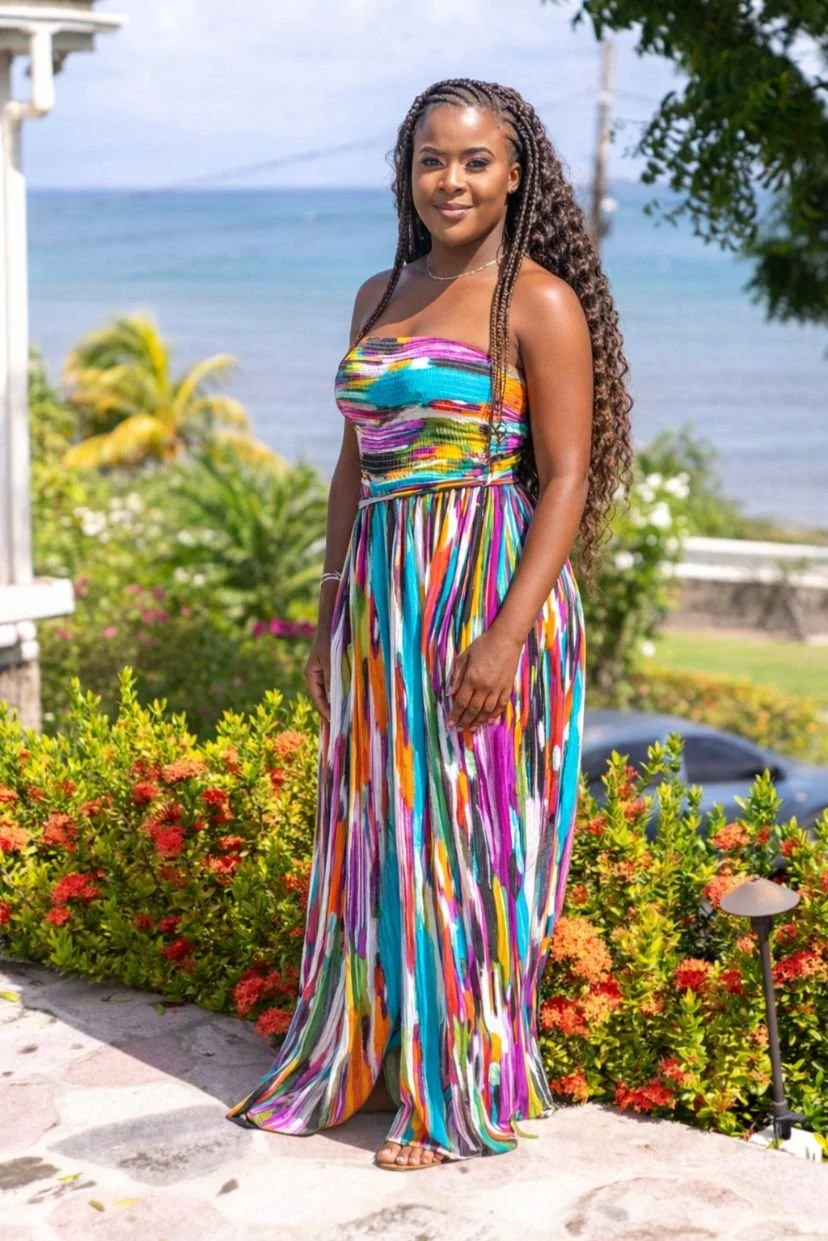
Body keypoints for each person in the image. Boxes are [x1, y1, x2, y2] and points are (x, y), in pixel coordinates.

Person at [225, 77, 633, 1171]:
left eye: (475, 161)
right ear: (407, 174)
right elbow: (357, 458)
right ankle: (364, 1053)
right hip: (378, 597)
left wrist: (505, 633)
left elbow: (565, 478)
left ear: (516, 174)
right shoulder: (379, 290)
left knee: (466, 840)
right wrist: (327, 609)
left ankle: (456, 1089)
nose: (451, 180)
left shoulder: (537, 302)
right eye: (431, 160)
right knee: (374, 831)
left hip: (485, 585)